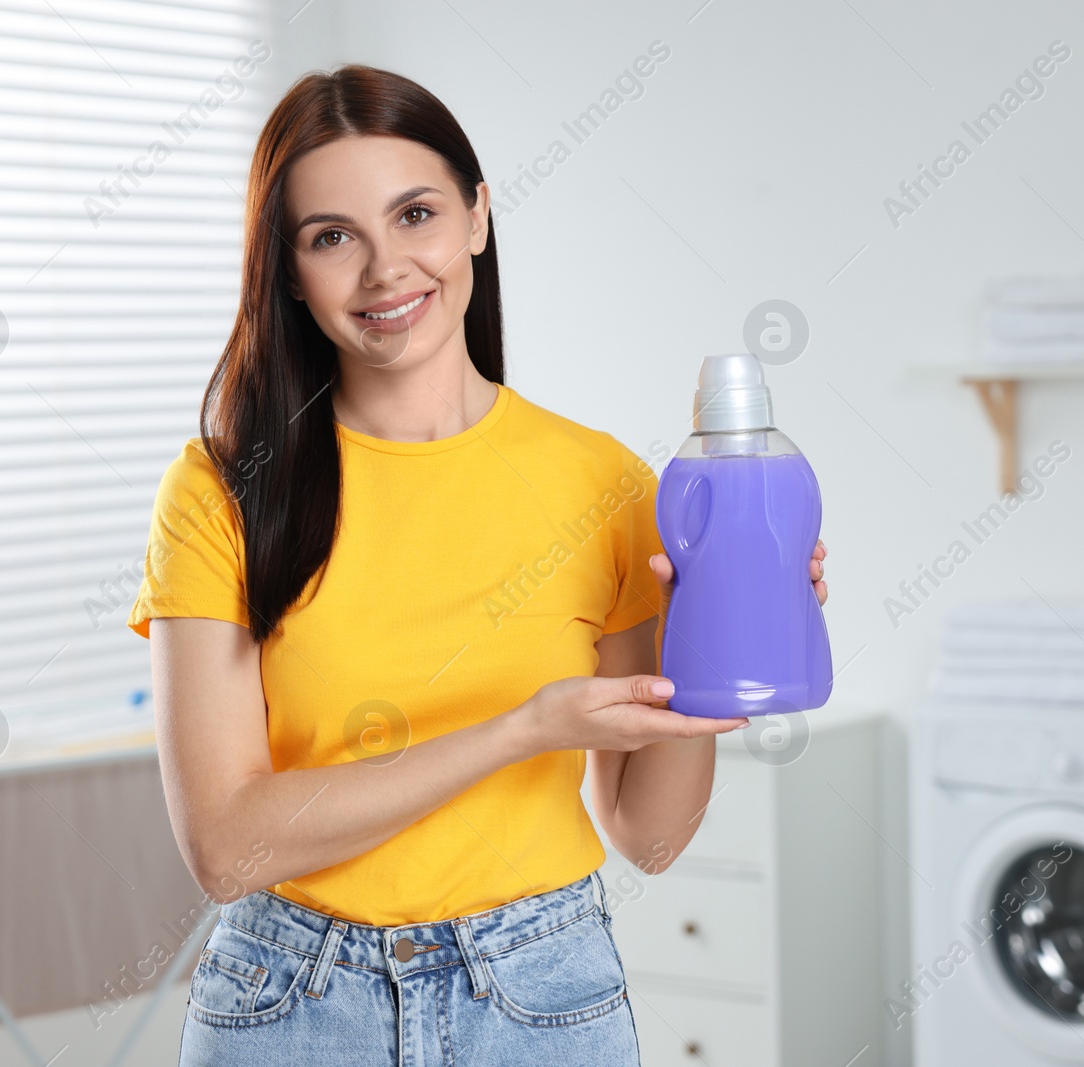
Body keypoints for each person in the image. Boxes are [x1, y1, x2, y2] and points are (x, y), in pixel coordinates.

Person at [126, 64, 827, 1067]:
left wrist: (711, 625)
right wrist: (523, 729)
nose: (383, 270)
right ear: (287, 269)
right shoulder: (226, 488)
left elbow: (650, 836)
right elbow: (230, 848)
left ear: (477, 219)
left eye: (415, 214)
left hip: (543, 992)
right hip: (292, 1002)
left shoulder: (605, 484)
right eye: (332, 236)